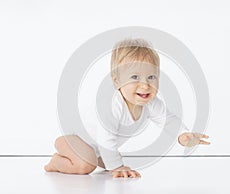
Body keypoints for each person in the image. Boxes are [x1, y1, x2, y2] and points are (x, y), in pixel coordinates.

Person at [44, 38, 211, 178]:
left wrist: (183, 134)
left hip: (97, 148)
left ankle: (96, 159)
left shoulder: (150, 103)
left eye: (151, 77)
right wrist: (116, 167)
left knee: (104, 160)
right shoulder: (111, 105)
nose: (145, 85)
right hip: (74, 138)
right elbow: (106, 137)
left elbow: (167, 119)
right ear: (117, 81)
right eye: (135, 77)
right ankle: (55, 162)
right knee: (86, 166)